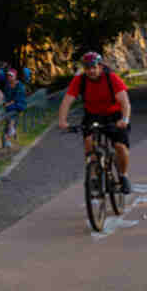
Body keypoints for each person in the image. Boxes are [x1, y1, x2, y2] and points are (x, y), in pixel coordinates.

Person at [57, 52, 133, 194]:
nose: (91, 71)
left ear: (101, 66)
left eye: (94, 67)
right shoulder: (80, 80)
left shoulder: (111, 78)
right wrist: (62, 121)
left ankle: (123, 176)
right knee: (89, 141)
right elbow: (67, 101)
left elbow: (125, 102)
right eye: (87, 68)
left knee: (120, 146)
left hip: (114, 115)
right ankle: (93, 176)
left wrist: (124, 120)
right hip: (92, 115)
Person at [1, 68, 27, 146]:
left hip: (18, 103)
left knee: (11, 111)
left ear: (15, 76)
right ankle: (10, 132)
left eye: (11, 76)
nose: (9, 77)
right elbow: (5, 96)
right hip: (9, 105)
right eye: (8, 76)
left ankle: (11, 131)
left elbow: (17, 98)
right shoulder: (7, 85)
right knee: (8, 115)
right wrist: (5, 102)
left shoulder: (19, 86)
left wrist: (8, 104)